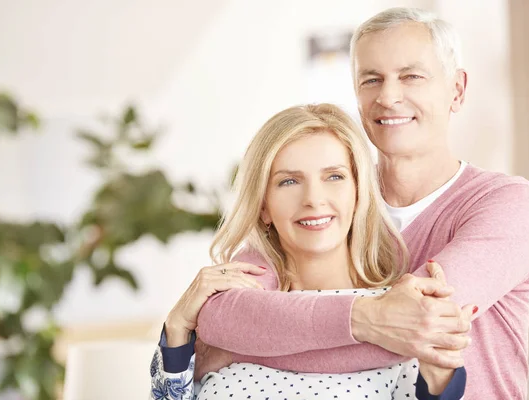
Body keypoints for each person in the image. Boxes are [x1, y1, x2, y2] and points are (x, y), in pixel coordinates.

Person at [185, 7, 529, 400]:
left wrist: (250, 342)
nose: (388, 97)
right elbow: (226, 314)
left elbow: (422, 324)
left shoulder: (505, 203)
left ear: (456, 90)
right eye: (371, 80)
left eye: (411, 76)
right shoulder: (329, 203)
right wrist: (369, 317)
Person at [150, 103, 474, 399]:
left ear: (359, 193)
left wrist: (441, 372)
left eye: (334, 176)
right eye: (289, 182)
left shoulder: (401, 314)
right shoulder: (230, 312)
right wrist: (178, 326)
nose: (314, 199)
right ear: (263, 206)